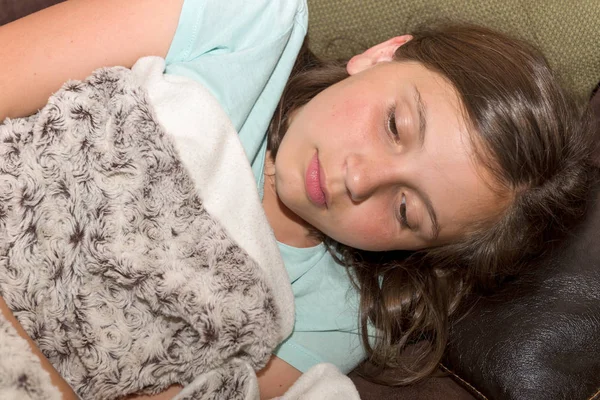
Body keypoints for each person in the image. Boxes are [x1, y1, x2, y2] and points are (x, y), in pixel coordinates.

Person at [0, 0, 596, 399]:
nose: (360, 180)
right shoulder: (251, 21)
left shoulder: (335, 317)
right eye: (395, 125)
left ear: (420, 250)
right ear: (384, 53)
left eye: (407, 211)